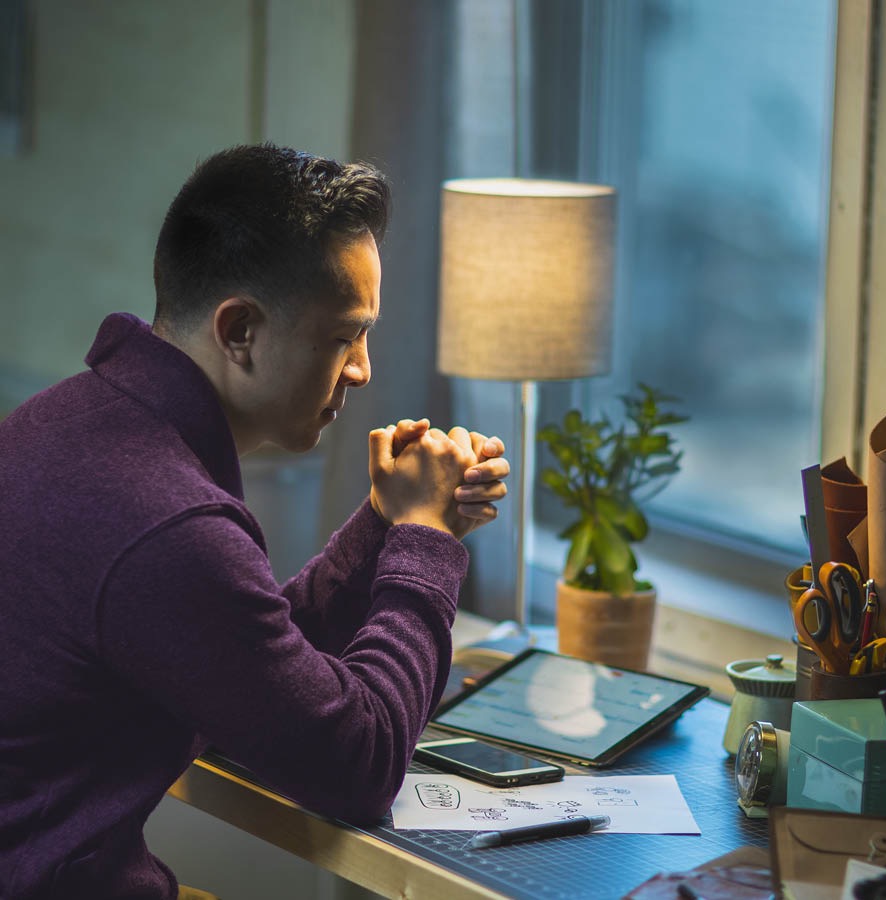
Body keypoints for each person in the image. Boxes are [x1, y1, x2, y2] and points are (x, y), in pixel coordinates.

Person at [0, 144, 509, 899]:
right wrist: (426, 541)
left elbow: (243, 659)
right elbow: (359, 766)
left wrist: (383, 524)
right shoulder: (169, 525)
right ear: (239, 330)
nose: (362, 369)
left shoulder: (60, 422)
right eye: (345, 335)